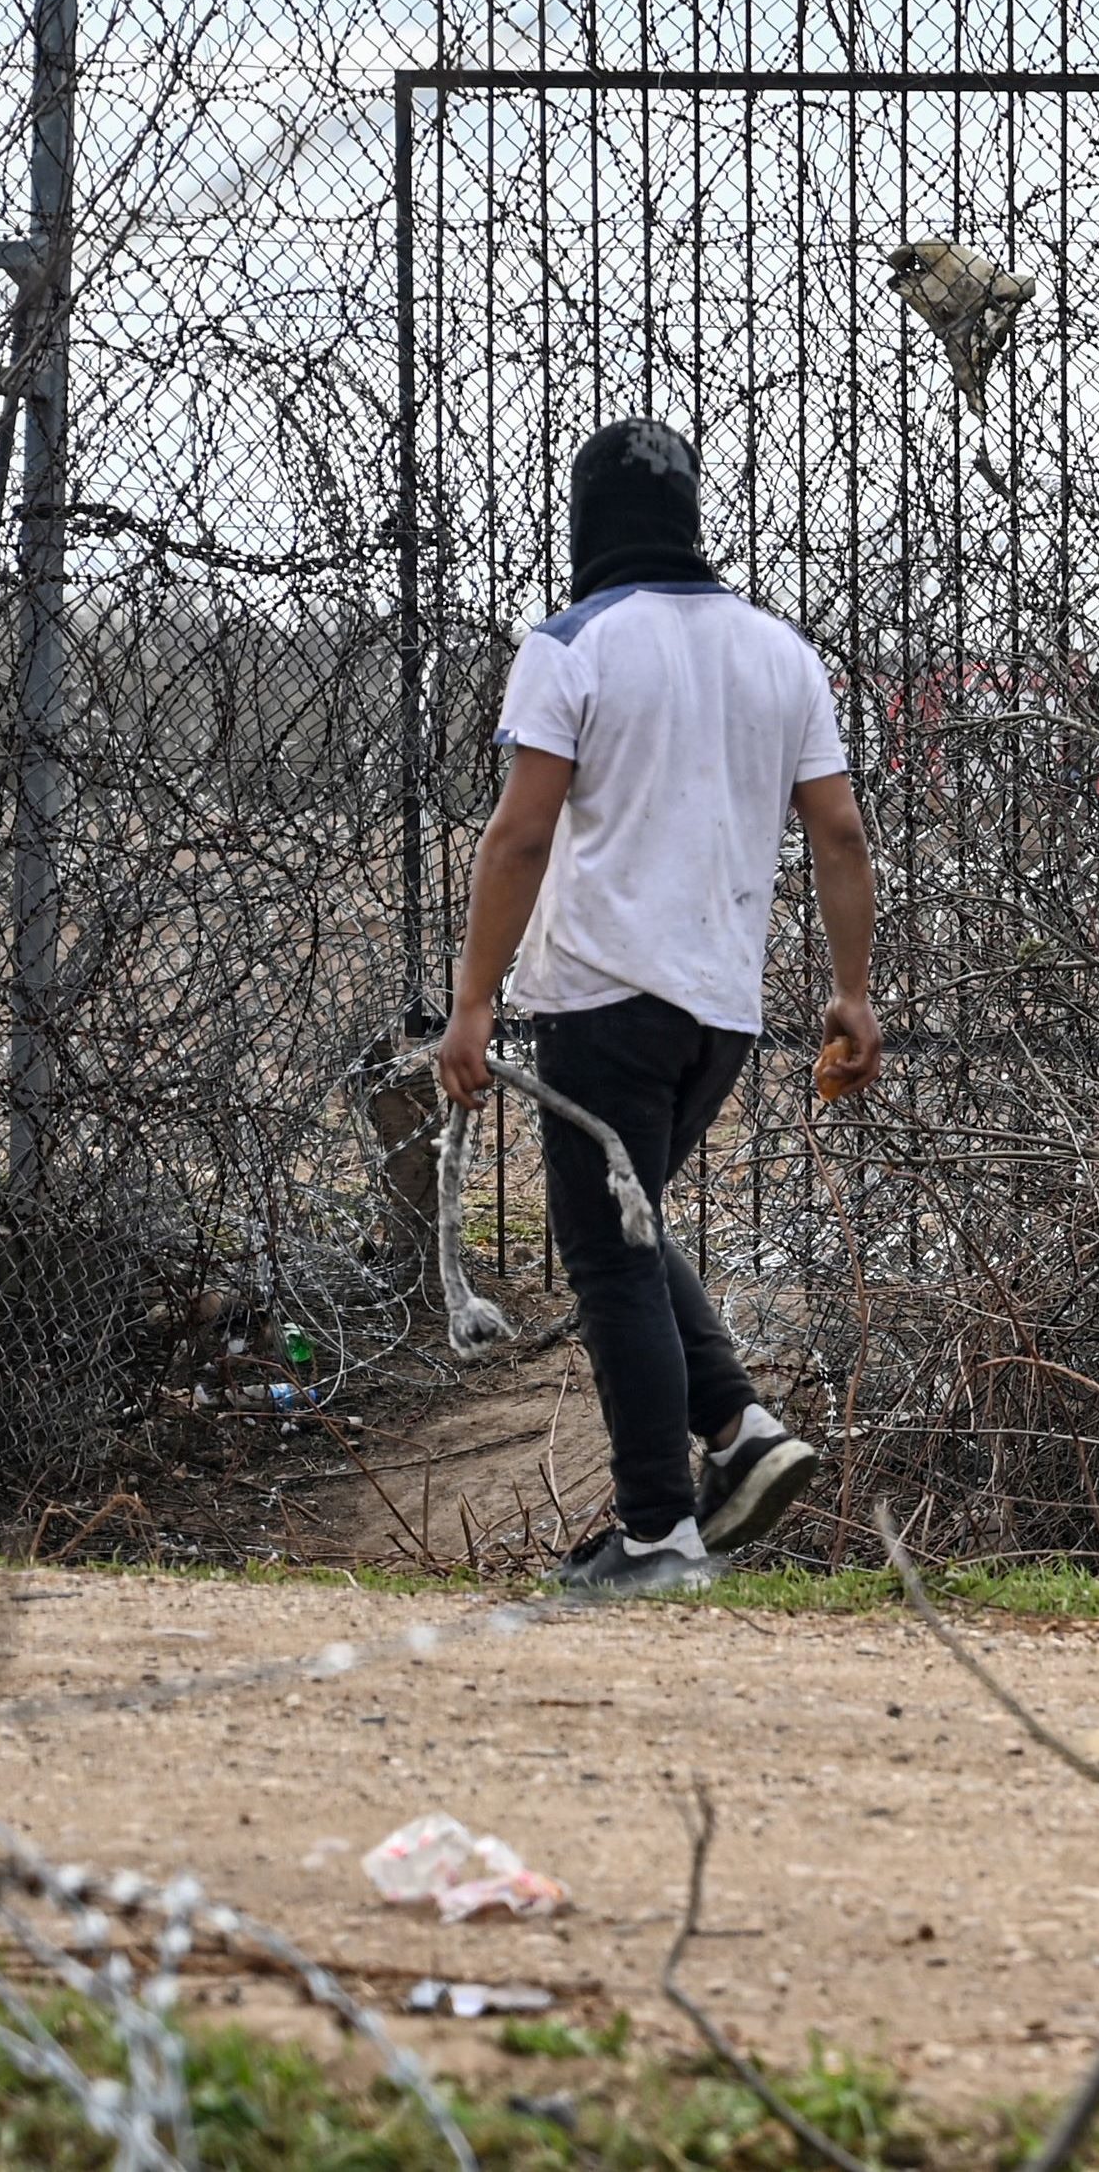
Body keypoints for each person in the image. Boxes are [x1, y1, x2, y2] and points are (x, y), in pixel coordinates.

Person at [433, 420, 880, 1596]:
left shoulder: (570, 644)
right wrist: (851, 994)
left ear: (589, 524)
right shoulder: (781, 653)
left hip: (598, 998)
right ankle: (737, 1429)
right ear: (689, 518)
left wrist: (473, 1003)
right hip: (720, 1016)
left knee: (608, 1255)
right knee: (630, 1225)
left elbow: (521, 831)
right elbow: (838, 831)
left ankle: (657, 1532)